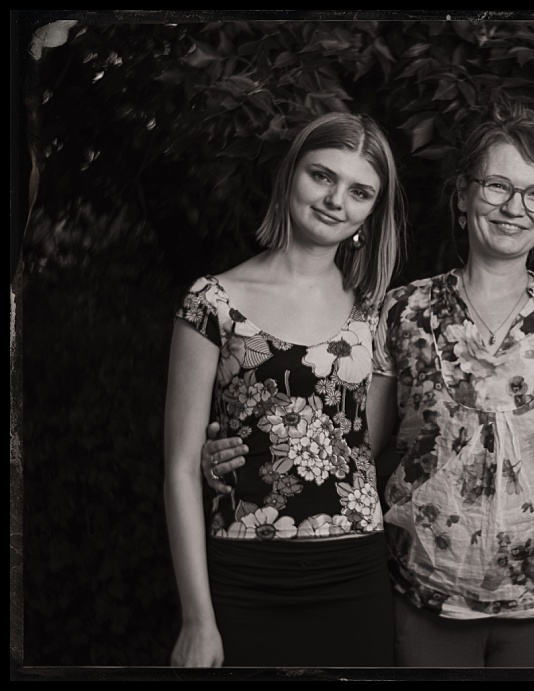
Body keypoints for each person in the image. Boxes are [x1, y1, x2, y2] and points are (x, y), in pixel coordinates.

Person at [202, 98, 534, 667]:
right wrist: (234, 452)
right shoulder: (401, 310)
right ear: (463, 195)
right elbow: (349, 443)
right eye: (495, 187)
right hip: (424, 593)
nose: (514, 208)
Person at [164, 111, 404, 668]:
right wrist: (197, 619)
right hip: (243, 572)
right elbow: (178, 468)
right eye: (322, 176)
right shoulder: (212, 301)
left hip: (355, 572)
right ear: (290, 174)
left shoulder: (380, 313)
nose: (335, 199)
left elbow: (363, 449)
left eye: (359, 191)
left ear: (372, 211)